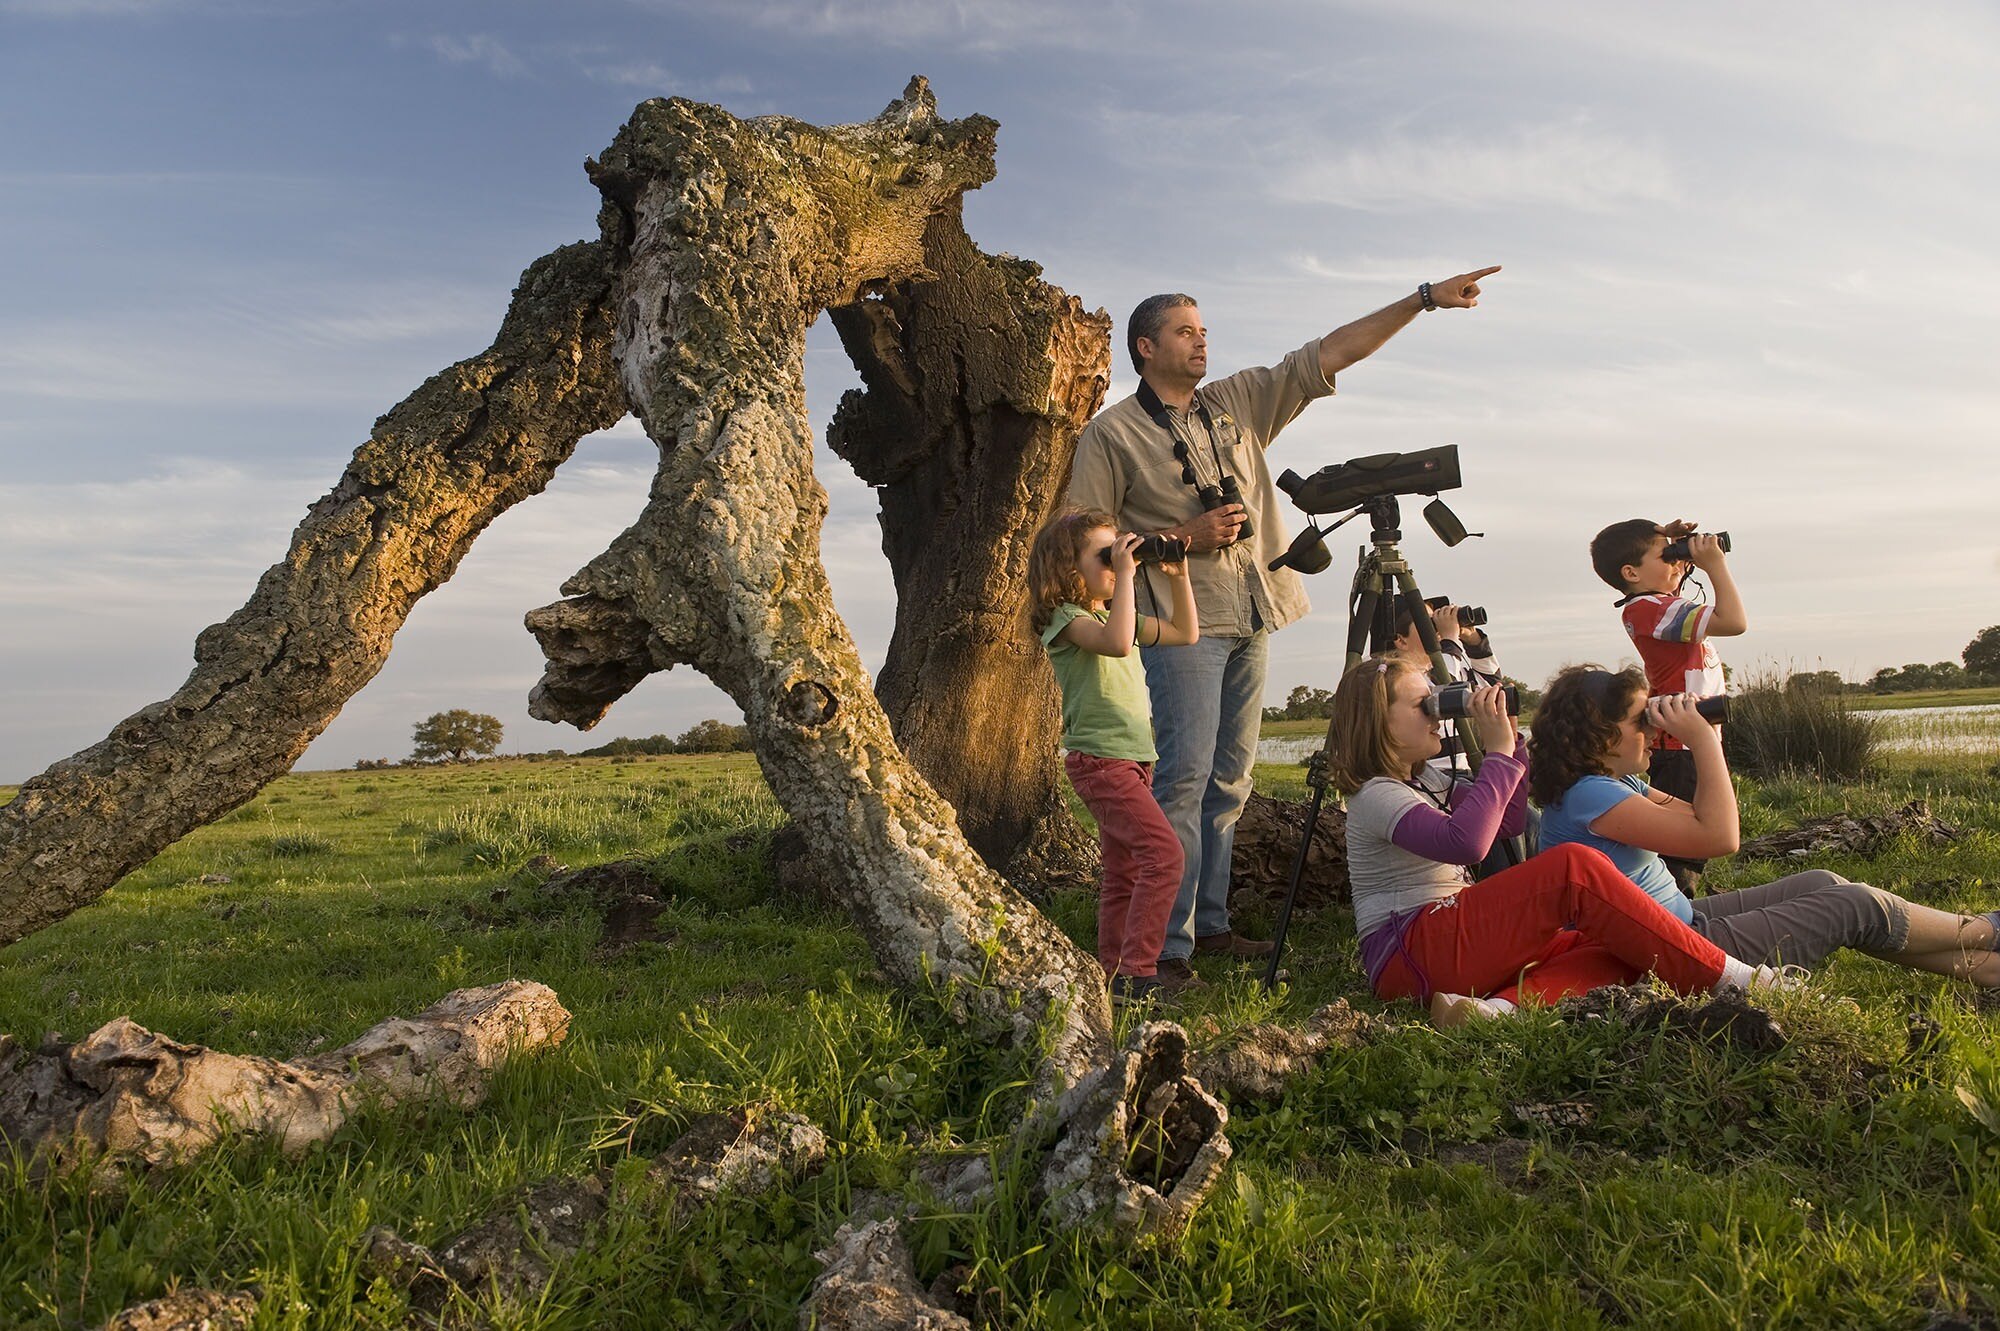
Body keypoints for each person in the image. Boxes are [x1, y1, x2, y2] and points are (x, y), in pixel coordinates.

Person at [1067, 269, 1501, 988]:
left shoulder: (1235, 401)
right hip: (1184, 624)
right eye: (1185, 331)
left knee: (1231, 779)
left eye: (1205, 330)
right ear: (1145, 346)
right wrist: (1184, 537)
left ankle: (1209, 926)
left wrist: (1423, 300)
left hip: (1258, 606)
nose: (1201, 341)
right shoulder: (1110, 435)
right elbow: (1088, 542)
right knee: (1183, 778)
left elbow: (1328, 353)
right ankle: (1164, 950)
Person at [1330, 656, 1792, 1027]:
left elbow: (1507, 823)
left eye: (1436, 700)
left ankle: (1497, 1011)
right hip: (1406, 950)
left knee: (1616, 946)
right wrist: (1495, 754)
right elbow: (1466, 844)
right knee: (1572, 865)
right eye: (1422, 704)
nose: (1437, 713)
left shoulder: (1427, 778)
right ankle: (1738, 979)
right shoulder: (1375, 794)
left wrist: (1515, 749)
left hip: (1443, 946)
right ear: (1377, 721)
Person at [1531, 665, 2000, 984]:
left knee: (1824, 881)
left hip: (1680, 921)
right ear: (1600, 734)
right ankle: (1987, 928)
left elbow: (1697, 814)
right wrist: (1703, 740)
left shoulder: (1610, 783)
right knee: (1854, 905)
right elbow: (1720, 837)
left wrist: (1694, 740)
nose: (1654, 731)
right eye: (1642, 720)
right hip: (1674, 950)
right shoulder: (1591, 795)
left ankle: (1986, 970)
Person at [1025, 509, 1200, 1003]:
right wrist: (1126, 576)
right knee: (1165, 857)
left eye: (1120, 551)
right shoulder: (1069, 620)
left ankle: (1114, 973)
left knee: (1124, 871)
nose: (1119, 562)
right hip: (1099, 762)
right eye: (1105, 555)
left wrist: (1179, 577)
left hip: (1133, 761)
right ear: (1067, 567)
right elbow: (1119, 644)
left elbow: (1186, 633)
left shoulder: (1107, 612)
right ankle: (1138, 973)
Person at [1589, 518, 1744, 894]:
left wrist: (1672, 545)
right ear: (1631, 572)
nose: (1677, 562)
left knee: (1688, 842)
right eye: (1667, 555)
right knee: (1684, 845)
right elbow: (1734, 621)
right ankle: (1673, 912)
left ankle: (1676, 906)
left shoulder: (1658, 604)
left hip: (1688, 736)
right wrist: (1715, 564)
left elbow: (1648, 558)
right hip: (1680, 741)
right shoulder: (1648, 609)